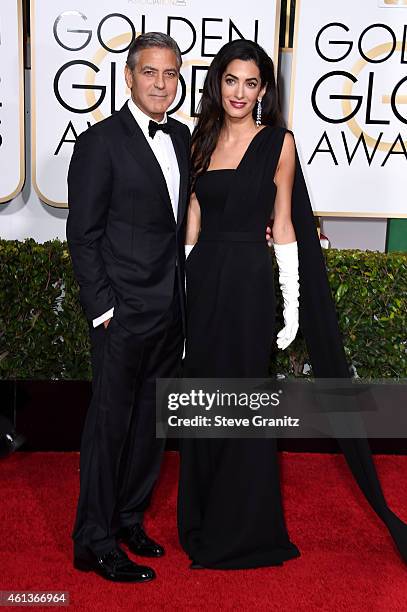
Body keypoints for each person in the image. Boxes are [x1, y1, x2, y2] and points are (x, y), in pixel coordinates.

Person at [177, 39, 407, 569]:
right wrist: (181, 295)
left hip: (250, 285)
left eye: (250, 82)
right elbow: (192, 221)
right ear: (218, 83)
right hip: (205, 278)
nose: (239, 92)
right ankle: (202, 518)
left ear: (263, 90)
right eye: (230, 80)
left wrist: (292, 303)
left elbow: (284, 227)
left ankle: (244, 530)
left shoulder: (279, 142)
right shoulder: (199, 141)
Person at [66, 32, 190, 582]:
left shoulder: (183, 137)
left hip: (169, 310)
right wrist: (103, 309)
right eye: (149, 73)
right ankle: (92, 541)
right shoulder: (99, 142)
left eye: (170, 74)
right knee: (109, 428)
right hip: (121, 315)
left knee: (150, 427)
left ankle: (128, 518)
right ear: (128, 77)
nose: (160, 84)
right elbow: (83, 234)